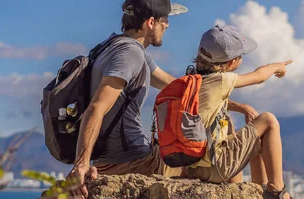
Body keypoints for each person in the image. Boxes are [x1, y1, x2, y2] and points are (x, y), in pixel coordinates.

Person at [65, 1, 258, 198]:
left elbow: (183, 90)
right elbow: (97, 107)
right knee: (224, 133)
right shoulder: (129, 54)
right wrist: (81, 164)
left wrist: (237, 106)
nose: (167, 25)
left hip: (118, 158)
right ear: (151, 22)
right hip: (136, 161)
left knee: (220, 123)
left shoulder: (115, 47)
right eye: (164, 19)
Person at [184, 24, 293, 199]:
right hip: (217, 167)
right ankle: (277, 189)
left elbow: (213, 102)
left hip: (194, 168)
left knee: (252, 135)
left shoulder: (191, 81)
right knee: (268, 121)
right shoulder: (221, 79)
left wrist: (242, 107)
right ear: (230, 62)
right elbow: (259, 76)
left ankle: (259, 189)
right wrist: (276, 66)